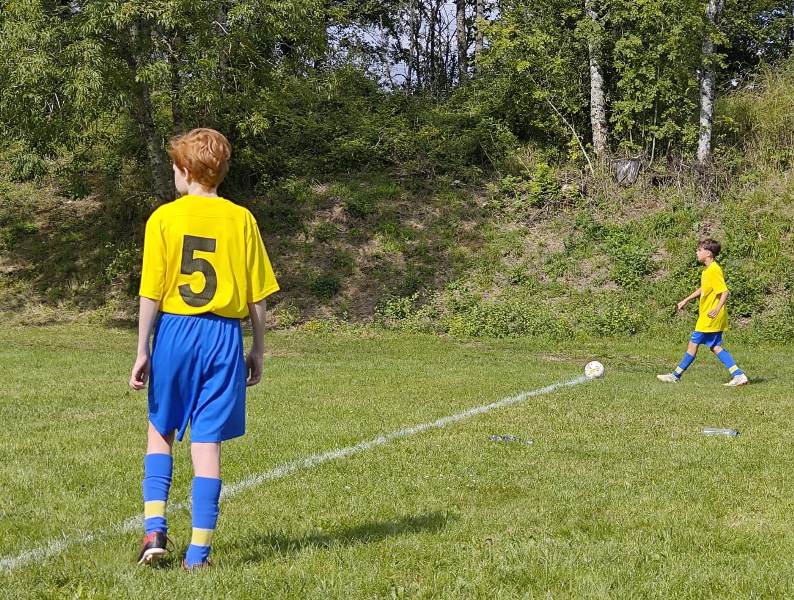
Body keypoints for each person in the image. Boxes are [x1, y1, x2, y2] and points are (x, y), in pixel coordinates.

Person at [128, 128, 279, 569]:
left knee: (161, 428)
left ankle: (154, 530)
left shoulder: (164, 218)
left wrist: (142, 348)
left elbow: (151, 291)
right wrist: (258, 348)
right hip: (223, 336)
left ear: (185, 170)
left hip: (175, 332)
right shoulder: (241, 219)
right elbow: (256, 295)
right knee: (208, 442)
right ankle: (198, 553)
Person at [657, 238, 748, 386]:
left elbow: (724, 292)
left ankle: (675, 375)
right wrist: (686, 299)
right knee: (715, 347)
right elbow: (704, 289)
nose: (697, 252)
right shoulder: (707, 270)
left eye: (699, 250)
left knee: (693, 344)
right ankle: (738, 375)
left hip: (710, 317)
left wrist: (717, 309)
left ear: (708, 253)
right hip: (710, 316)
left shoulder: (714, 270)